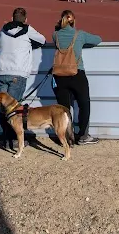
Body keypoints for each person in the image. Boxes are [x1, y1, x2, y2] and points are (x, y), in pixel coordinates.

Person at [0, 7, 46, 152]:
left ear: (12, 18)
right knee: (15, 110)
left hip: (3, 72)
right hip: (19, 73)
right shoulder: (27, 29)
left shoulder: (3, 29)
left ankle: (6, 139)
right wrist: (30, 45)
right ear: (25, 19)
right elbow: (42, 40)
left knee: (3, 108)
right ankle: (14, 141)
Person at [51, 10, 101, 144]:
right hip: (77, 73)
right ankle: (83, 136)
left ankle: (66, 137)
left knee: (63, 108)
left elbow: (56, 36)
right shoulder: (80, 34)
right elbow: (98, 39)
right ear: (73, 21)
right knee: (84, 104)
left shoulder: (55, 35)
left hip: (59, 75)